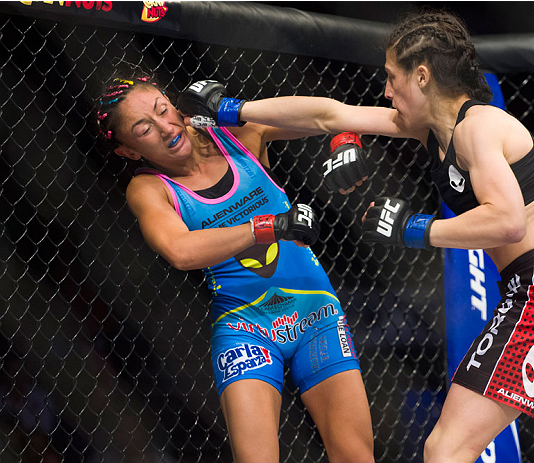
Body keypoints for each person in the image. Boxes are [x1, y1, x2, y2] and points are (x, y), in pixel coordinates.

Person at [193, 9, 534, 463]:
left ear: (423, 75)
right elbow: (329, 113)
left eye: (392, 78)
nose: (386, 91)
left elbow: (508, 220)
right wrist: (235, 109)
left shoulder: (479, 128)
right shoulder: (432, 131)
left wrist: (416, 230)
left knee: (446, 449)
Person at [95, 76, 374, 463]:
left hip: (316, 313)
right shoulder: (150, 189)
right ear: (127, 150)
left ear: (173, 102)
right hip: (246, 329)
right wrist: (268, 226)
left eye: (162, 110)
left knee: (356, 456)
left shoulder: (231, 130)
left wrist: (346, 139)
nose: (165, 128)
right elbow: (180, 250)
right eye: (144, 129)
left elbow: (324, 114)